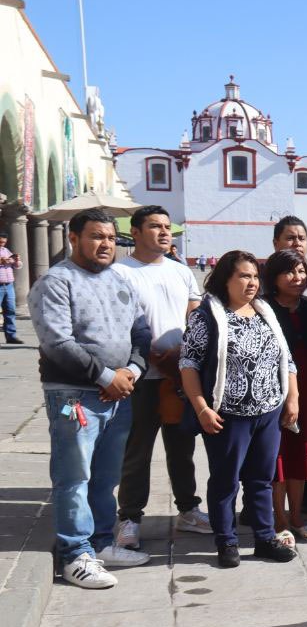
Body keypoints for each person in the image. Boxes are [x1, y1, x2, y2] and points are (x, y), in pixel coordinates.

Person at [31, 209, 153, 587]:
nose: (105, 244)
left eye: (111, 238)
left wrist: (130, 372)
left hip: (120, 394)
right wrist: (105, 376)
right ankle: (74, 553)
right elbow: (57, 343)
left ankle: (102, 543)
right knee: (74, 476)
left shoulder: (121, 280)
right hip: (74, 395)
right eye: (96, 236)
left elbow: (142, 332)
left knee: (106, 476)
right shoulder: (56, 282)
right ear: (74, 238)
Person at [180, 250, 297, 568]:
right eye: (244, 276)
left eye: (255, 276)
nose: (252, 282)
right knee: (225, 480)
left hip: (268, 412)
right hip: (227, 416)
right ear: (226, 280)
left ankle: (264, 538)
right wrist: (202, 407)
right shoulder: (207, 317)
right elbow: (188, 363)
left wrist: (292, 398)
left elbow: (286, 358)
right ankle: (227, 542)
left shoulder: (264, 312)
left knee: (261, 478)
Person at [112, 206, 210, 552]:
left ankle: (188, 509)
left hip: (178, 376)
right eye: (155, 226)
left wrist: (185, 362)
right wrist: (151, 357)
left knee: (181, 447)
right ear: (135, 232)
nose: (164, 232)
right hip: (139, 376)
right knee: (136, 449)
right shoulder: (121, 272)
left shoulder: (180, 272)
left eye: (167, 227)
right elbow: (119, 325)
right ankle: (130, 517)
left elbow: (194, 319)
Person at [263, 249, 307, 544]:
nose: (298, 277)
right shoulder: (263, 308)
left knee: (301, 456)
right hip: (273, 392)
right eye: (289, 272)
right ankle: (278, 519)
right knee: (277, 457)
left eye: (302, 271)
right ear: (274, 277)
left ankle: (296, 517)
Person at [0, 232, 23, 344]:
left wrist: (16, 260)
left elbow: (18, 266)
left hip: (9, 285)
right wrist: (1, 261)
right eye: (0, 242)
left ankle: (11, 336)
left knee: (10, 311)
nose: (2, 244)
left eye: (4, 242)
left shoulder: (6, 251)